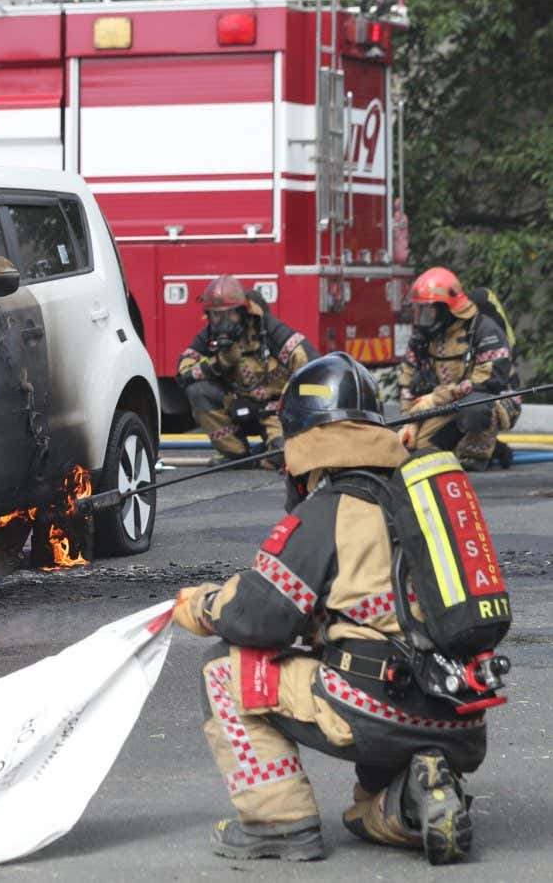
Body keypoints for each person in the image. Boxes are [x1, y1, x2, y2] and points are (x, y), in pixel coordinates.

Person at [173, 353, 491, 865]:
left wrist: (202, 605)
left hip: (376, 707)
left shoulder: (328, 510)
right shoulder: (423, 502)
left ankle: (279, 824)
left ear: (305, 444)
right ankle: (416, 798)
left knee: (223, 670)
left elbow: (259, 617)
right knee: (363, 813)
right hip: (459, 718)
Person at [177, 275, 319, 468]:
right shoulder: (209, 334)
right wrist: (219, 363)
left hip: (275, 411)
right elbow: (183, 372)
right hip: (237, 406)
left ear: (243, 311)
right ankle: (236, 455)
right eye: (217, 315)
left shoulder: (266, 328)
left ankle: (264, 455)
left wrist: (297, 406)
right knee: (197, 391)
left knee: (282, 457)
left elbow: (308, 361)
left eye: (230, 314)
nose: (223, 322)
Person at [397, 267, 519, 470]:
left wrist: (437, 398)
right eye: (418, 310)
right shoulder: (423, 339)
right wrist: (409, 423)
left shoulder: (483, 330)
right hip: (448, 405)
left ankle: (475, 455)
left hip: (492, 399)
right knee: (420, 451)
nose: (421, 318)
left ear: (446, 309)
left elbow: (489, 381)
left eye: (427, 310)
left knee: (475, 408)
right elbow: (407, 381)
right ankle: (494, 448)